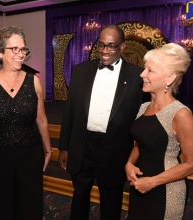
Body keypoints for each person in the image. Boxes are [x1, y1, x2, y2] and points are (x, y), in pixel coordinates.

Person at [58, 24, 145, 219]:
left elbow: (144, 117)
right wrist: (64, 146)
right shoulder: (81, 70)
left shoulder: (137, 76)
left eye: (111, 46)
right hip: (83, 145)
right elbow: (70, 111)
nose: (105, 51)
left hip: (115, 149)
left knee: (111, 201)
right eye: (101, 45)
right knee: (79, 197)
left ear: (122, 47)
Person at [0, 25, 52, 220]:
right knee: (2, 207)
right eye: (14, 49)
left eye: (23, 49)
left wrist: (48, 149)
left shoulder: (34, 82)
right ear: (0, 52)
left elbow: (41, 119)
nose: (21, 54)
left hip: (30, 155)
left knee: (30, 206)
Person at [125, 43, 193, 220]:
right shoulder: (144, 107)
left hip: (166, 190)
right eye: (145, 69)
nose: (142, 74)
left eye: (150, 70)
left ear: (169, 78)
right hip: (140, 185)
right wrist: (129, 163)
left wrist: (152, 182)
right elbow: (139, 144)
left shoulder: (180, 113)